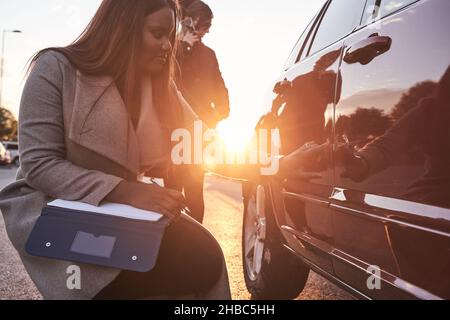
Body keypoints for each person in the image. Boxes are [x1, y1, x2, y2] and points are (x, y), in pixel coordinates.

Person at [0, 0, 231, 300]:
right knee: (125, 275)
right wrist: (126, 191)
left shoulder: (161, 86)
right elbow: (40, 165)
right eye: (157, 33)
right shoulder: (55, 68)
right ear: (123, 27)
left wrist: (276, 163)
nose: (166, 46)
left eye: (169, 36)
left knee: (203, 256)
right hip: (58, 206)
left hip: (124, 214)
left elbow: (204, 143)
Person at [169, 0, 230, 223]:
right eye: (206, 24)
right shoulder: (170, 49)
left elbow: (220, 89)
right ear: (192, 21)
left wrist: (213, 118)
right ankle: (171, 238)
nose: (208, 29)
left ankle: (194, 240)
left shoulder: (209, 54)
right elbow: (167, 80)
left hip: (196, 132)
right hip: (173, 129)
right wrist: (183, 46)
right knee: (172, 188)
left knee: (194, 189)